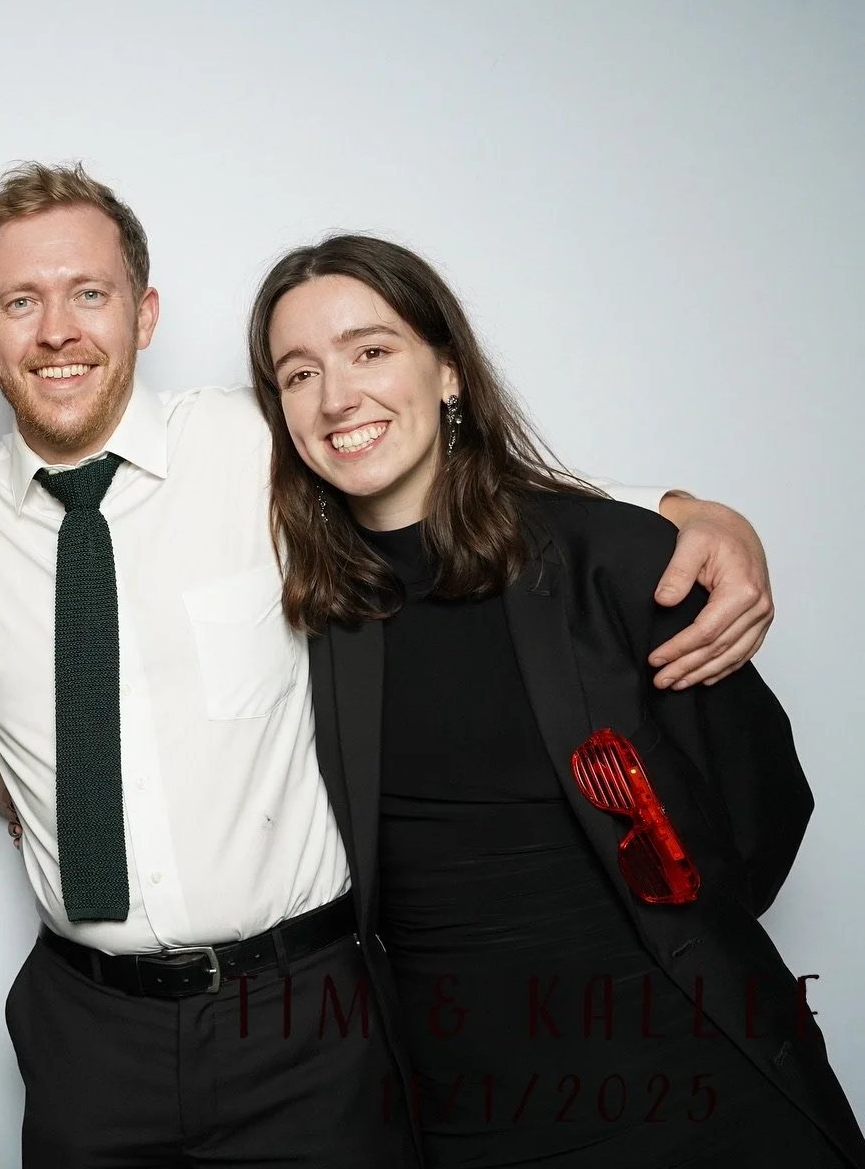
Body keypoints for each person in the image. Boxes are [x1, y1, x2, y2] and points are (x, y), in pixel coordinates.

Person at [0, 163, 782, 1167]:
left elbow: (448, 474)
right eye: (20, 301)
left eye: (89, 292)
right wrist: (0, 779)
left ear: (145, 313)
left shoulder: (266, 440)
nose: (57, 330)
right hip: (89, 1031)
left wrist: (683, 510)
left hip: (304, 1018)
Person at [248, 233, 865, 1167]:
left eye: (371, 351)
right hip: (471, 1119)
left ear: (448, 370)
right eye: (299, 374)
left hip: (698, 1092)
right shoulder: (314, 608)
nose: (337, 398)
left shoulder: (615, 560)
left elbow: (762, 812)